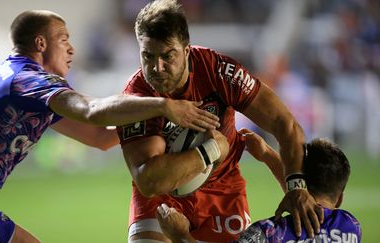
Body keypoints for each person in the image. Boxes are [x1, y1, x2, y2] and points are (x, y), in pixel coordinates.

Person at [0, 10, 221, 243]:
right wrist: (163, 105)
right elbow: (92, 111)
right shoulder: (29, 80)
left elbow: (99, 137)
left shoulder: (14, 79)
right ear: (40, 43)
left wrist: (159, 126)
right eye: (64, 39)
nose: (71, 48)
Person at [116, 0, 323, 242]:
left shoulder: (219, 72)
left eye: (167, 56)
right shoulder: (136, 96)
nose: (157, 67)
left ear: (186, 50)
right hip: (162, 196)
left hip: (222, 190)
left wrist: (296, 185)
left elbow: (283, 123)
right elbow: (149, 181)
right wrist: (213, 149)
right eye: (147, 56)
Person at [156, 129, 362, 243]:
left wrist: (180, 235)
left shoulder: (267, 234)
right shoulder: (351, 228)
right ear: (340, 198)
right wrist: (267, 155)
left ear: (297, 181)